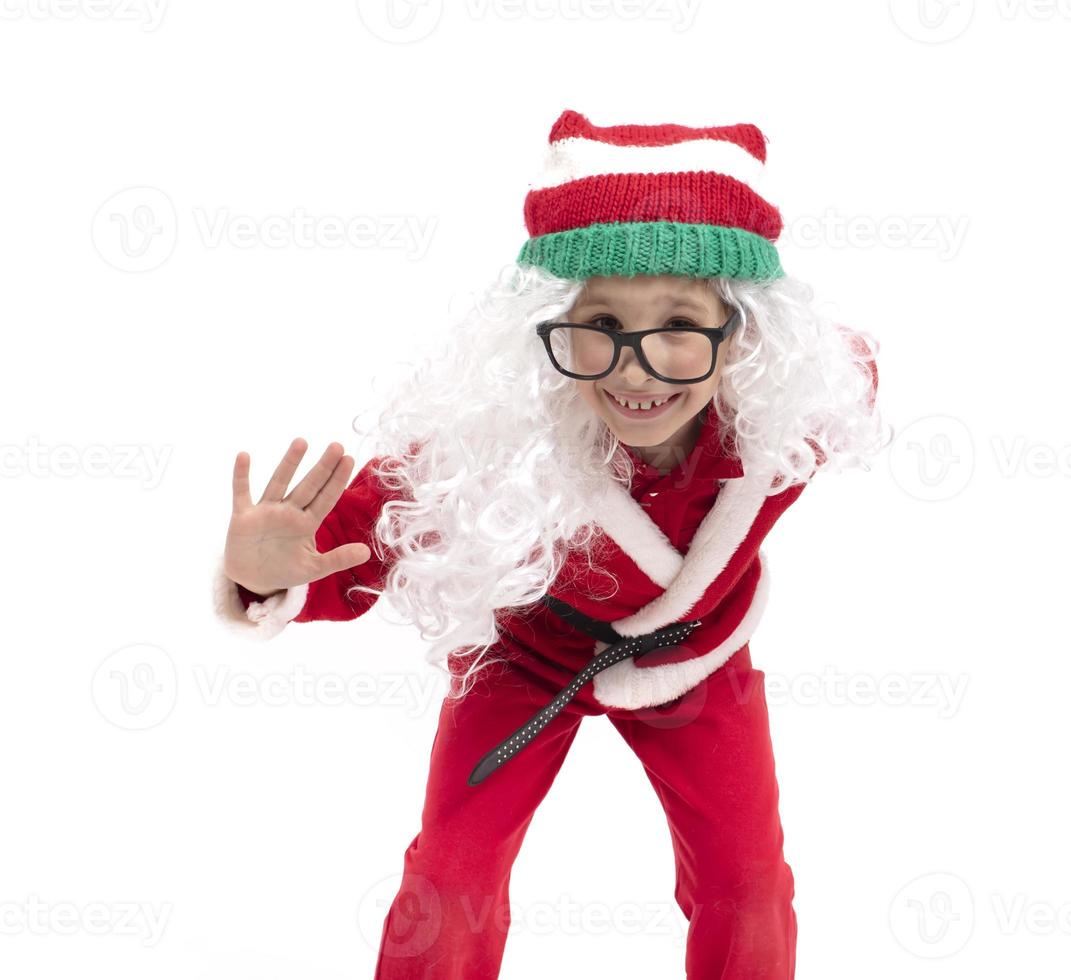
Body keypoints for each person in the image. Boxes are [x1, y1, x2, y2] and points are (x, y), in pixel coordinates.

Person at [213, 109, 888, 979]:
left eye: (680, 325)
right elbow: (372, 524)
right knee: (451, 879)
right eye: (600, 325)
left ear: (747, 338)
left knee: (750, 885)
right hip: (525, 654)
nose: (637, 369)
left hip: (696, 658)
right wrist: (265, 575)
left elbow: (851, 375)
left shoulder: (786, 422)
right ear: (545, 330)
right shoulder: (494, 438)